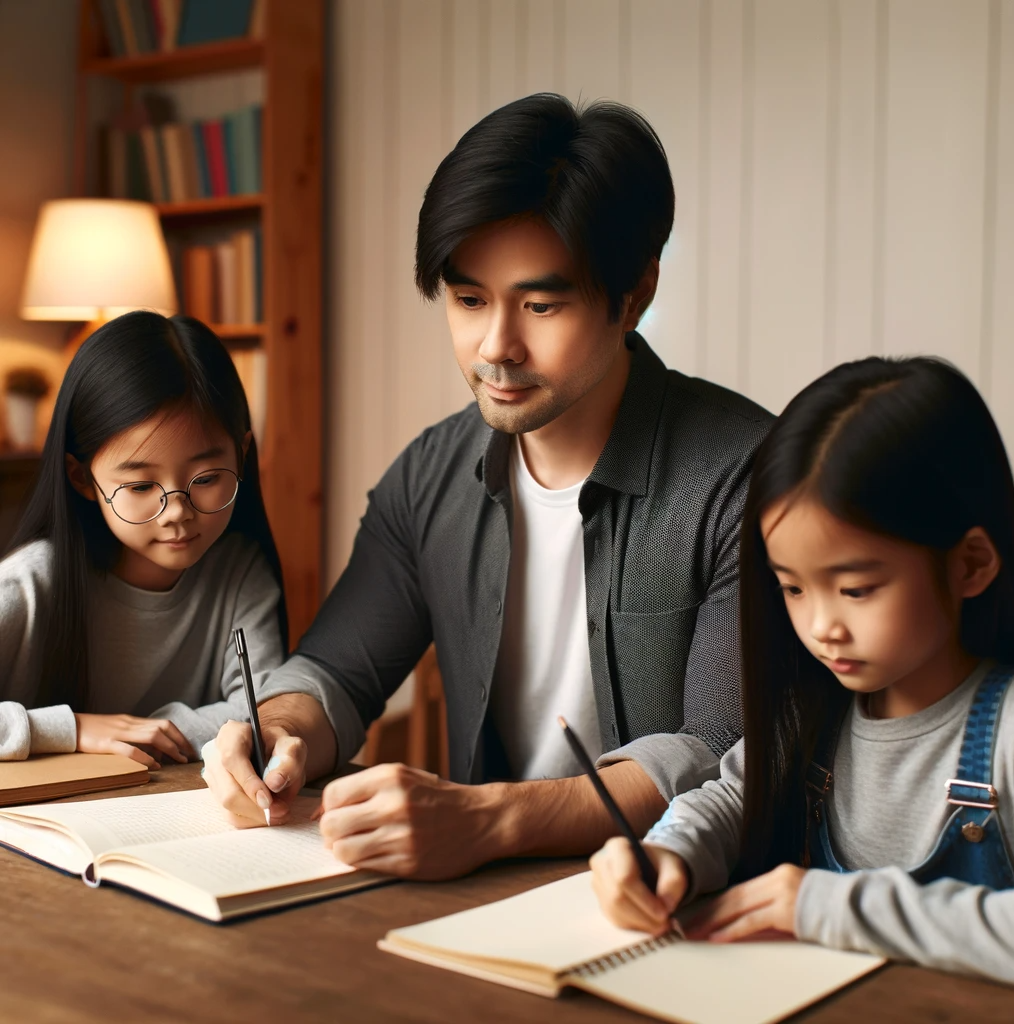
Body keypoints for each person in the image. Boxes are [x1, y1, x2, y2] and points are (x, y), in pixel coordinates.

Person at [201, 93, 773, 877]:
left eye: (540, 304)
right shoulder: (430, 475)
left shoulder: (745, 475)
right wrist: (276, 731)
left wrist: (490, 817)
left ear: (634, 293)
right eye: (469, 300)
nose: (495, 346)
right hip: (480, 890)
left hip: (679, 896)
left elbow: (721, 752)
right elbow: (335, 671)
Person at [590, 355, 1014, 987]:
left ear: (971, 564)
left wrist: (822, 906)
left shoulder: (1012, 731)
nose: (823, 627)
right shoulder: (812, 713)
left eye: (856, 589)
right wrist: (666, 852)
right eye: (793, 588)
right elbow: (730, 798)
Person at [0, 311, 291, 768]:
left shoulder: (238, 571)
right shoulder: (29, 585)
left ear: (243, 453)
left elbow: (262, 711)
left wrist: (152, 733)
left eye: (208, 477)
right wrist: (71, 728)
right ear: (81, 478)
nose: (177, 511)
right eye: (139, 487)